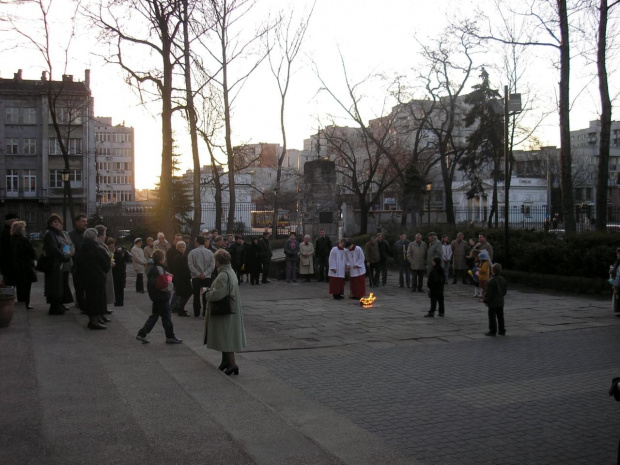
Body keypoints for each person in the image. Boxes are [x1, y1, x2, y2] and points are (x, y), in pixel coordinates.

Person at [204, 249, 247, 375]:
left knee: (226, 337)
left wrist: (207, 294)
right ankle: (225, 362)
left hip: (224, 311)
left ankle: (232, 364)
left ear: (217, 262)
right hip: (231, 310)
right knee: (225, 337)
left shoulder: (223, 274)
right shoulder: (230, 271)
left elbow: (218, 294)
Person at [136, 249, 183, 344]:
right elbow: (163, 285)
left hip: (155, 296)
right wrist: (169, 281)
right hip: (162, 296)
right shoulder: (160, 269)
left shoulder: (152, 268)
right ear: (162, 259)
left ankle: (142, 333)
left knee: (155, 316)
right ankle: (170, 336)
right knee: (166, 317)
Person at [77, 228, 111, 330]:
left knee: (90, 298)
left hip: (86, 277)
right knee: (97, 299)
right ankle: (94, 321)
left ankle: (93, 319)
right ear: (94, 236)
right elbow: (105, 263)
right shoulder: (97, 248)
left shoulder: (82, 248)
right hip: (97, 277)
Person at [42, 214, 74, 315]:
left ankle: (58, 304)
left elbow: (66, 245)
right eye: (55, 222)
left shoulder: (57, 233)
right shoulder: (50, 234)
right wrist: (64, 256)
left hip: (59, 263)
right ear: (50, 223)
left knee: (59, 285)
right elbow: (54, 249)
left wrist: (67, 253)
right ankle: (54, 306)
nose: (57, 224)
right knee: (54, 285)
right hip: (53, 264)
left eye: (59, 222)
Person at [10, 221, 36, 309]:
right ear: (20, 230)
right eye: (23, 228)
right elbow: (32, 253)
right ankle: (26, 303)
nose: (24, 229)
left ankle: (21, 302)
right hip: (25, 266)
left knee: (19, 287)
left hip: (16, 267)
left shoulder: (12, 239)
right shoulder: (23, 239)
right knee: (26, 287)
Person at [188, 236, 215, 318]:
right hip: (207, 277)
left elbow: (190, 265)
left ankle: (196, 312)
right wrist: (205, 273)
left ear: (197, 242)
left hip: (196, 277)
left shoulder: (192, 252)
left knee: (196, 295)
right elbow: (212, 265)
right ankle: (205, 312)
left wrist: (198, 273)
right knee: (206, 295)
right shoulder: (210, 252)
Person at [68, 213, 88, 310]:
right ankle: (81, 305)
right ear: (77, 222)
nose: (85, 223)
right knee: (79, 287)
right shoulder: (70, 235)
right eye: (83, 221)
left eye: (86, 221)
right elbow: (66, 249)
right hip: (77, 265)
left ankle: (85, 303)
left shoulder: (87, 234)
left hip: (87, 265)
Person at [483, 263, 508, 336]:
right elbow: (504, 291)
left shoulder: (491, 281)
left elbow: (488, 293)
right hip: (500, 301)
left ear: (492, 271)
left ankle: (493, 331)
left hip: (492, 302)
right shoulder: (503, 279)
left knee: (492, 316)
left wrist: (485, 300)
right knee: (500, 316)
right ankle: (502, 330)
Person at [171, 241, 191, 317]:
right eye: (180, 247)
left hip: (182, 278)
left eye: (183, 247)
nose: (182, 248)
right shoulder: (178, 257)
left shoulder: (181, 256)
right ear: (177, 248)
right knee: (185, 294)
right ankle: (181, 309)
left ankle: (181, 308)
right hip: (182, 278)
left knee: (183, 294)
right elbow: (184, 268)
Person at [110, 237, 131, 306]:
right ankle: (117, 302)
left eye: (113, 245)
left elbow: (127, 258)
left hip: (120, 272)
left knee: (120, 288)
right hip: (115, 272)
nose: (112, 247)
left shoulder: (118, 252)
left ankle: (120, 302)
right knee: (116, 288)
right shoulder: (110, 252)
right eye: (111, 246)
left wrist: (124, 251)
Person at [0, 213, 18, 286]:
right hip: (9, 265)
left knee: (9, 285)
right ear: (11, 222)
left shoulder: (6, 231)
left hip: (7, 265)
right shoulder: (8, 233)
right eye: (16, 221)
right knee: (9, 286)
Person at [610, 248, 620, 315]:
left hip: (618, 281)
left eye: (619, 253)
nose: (617, 255)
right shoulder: (617, 262)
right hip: (617, 281)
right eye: (617, 253)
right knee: (617, 296)